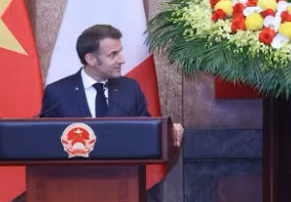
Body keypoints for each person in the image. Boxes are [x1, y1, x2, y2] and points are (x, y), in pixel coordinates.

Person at [40, 24, 184, 147]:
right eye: (113, 54)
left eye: (120, 52)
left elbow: (147, 130)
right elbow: (43, 140)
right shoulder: (58, 92)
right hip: (72, 176)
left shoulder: (130, 88)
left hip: (124, 176)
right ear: (91, 59)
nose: (122, 60)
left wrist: (169, 131)